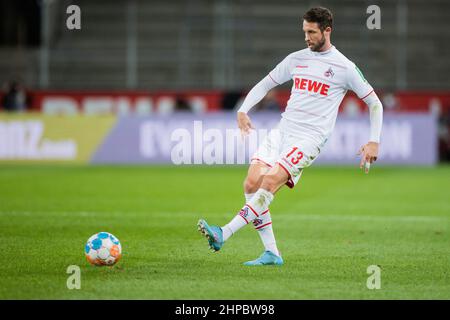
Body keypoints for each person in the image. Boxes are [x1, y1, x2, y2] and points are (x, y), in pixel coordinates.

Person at [197, 7, 383, 266]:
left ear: (327, 31)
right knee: (251, 183)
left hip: (310, 138)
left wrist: (374, 140)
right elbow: (265, 84)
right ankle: (271, 253)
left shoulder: (345, 67)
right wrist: (242, 110)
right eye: (304, 31)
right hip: (283, 131)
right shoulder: (296, 59)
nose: (306, 37)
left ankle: (223, 232)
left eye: (311, 32)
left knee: (271, 181)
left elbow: (375, 104)